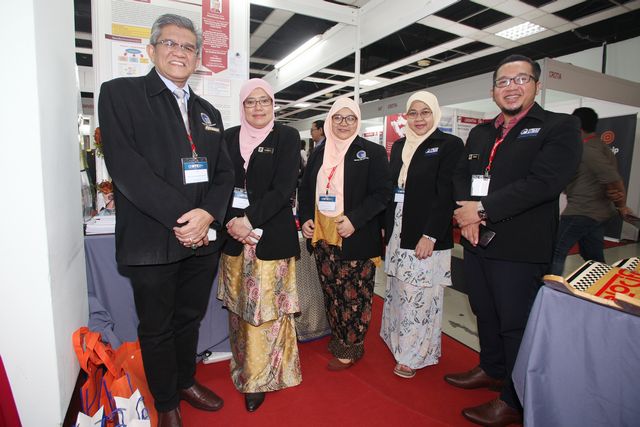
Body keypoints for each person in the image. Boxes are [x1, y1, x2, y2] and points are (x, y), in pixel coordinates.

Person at [98, 14, 234, 427]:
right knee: (156, 327)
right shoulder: (120, 94)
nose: (180, 52)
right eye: (170, 43)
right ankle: (166, 401)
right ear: (152, 50)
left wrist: (207, 215)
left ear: (198, 57)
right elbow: (127, 169)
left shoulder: (209, 112)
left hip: (202, 240)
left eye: (188, 47)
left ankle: (186, 380)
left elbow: (224, 173)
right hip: (152, 238)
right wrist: (186, 219)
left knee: (189, 318)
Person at [449, 54, 582, 426]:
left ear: (537, 85)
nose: (511, 87)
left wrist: (481, 210)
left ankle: (515, 398)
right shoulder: (481, 133)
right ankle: (492, 368)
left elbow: (544, 183)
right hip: (477, 240)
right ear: (493, 90)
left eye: (521, 79)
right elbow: (460, 176)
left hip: (520, 248)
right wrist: (466, 214)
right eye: (503, 81)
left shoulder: (559, 127)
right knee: (484, 311)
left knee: (515, 323)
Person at [217, 78, 302, 412]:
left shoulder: (287, 136)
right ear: (242, 105)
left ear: (273, 104)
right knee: (240, 309)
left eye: (264, 100)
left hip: (269, 237)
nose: (257, 107)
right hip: (234, 238)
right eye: (250, 101)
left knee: (266, 313)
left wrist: (249, 220)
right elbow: (218, 184)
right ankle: (243, 365)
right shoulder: (227, 137)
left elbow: (283, 188)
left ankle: (260, 378)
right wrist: (232, 222)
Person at [298, 97, 392, 370]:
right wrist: (306, 218)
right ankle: (340, 337)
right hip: (323, 234)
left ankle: (351, 347)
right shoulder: (319, 152)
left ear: (358, 121)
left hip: (355, 234)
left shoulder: (371, 152)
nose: (343, 123)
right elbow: (306, 189)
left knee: (354, 296)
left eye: (350, 118)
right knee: (332, 292)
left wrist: (355, 220)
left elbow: (382, 193)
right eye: (338, 117)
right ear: (330, 120)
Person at [380, 91, 463, 379]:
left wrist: (430, 234)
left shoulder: (449, 145)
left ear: (435, 114)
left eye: (425, 112)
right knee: (398, 289)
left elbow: (446, 194)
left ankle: (413, 355)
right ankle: (397, 340)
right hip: (398, 228)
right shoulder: (400, 144)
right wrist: (386, 224)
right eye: (413, 113)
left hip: (425, 231)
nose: (418, 119)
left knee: (420, 294)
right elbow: (391, 187)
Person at [550, 107, 633, 275]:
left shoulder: (588, 150)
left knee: (556, 251)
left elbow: (612, 178)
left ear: (577, 127)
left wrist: (622, 206)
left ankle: (551, 286)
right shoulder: (600, 147)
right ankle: (602, 282)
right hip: (598, 212)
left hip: (581, 211)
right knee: (592, 256)